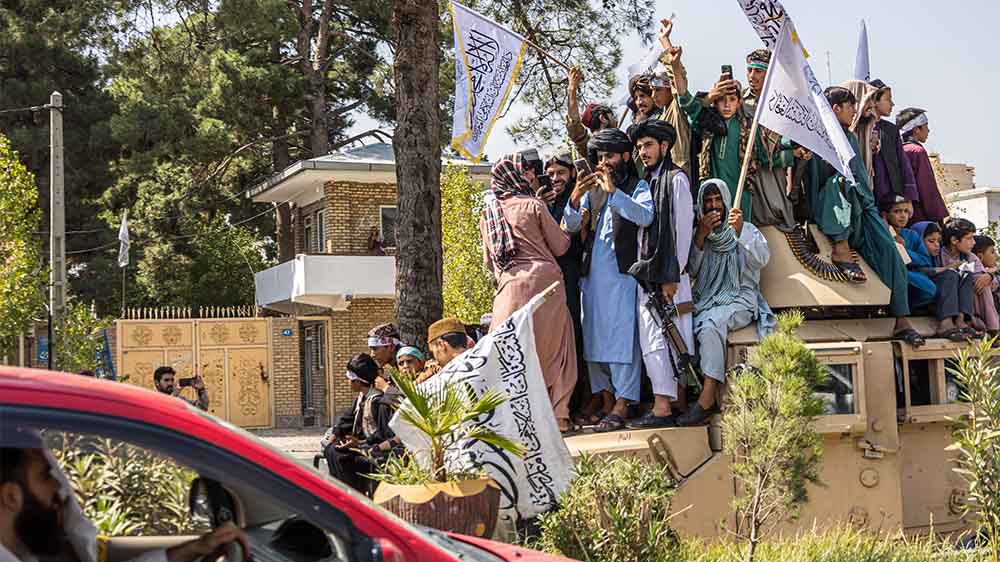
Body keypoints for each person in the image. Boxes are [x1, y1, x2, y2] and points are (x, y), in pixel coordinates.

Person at [1, 433, 250, 562]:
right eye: (46, 476)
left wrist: (197, 547)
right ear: (11, 496)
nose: (59, 488)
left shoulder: (23, 552)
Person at [806, 86, 920, 346]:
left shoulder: (850, 137)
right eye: (850, 106)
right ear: (836, 108)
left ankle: (902, 320)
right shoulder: (816, 136)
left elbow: (859, 174)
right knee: (838, 184)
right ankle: (841, 248)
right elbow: (816, 180)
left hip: (863, 207)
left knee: (890, 253)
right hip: (831, 206)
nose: (854, 111)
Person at [480, 152, 578, 433]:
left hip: (509, 288)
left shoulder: (489, 213)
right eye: (524, 171)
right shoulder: (533, 205)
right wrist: (573, 226)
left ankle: (516, 419)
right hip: (546, 284)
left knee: (510, 351)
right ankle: (559, 416)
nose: (531, 175)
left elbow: (489, 261)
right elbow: (560, 246)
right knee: (559, 348)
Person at [563, 128, 653, 432]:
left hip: (622, 277)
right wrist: (575, 196)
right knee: (595, 341)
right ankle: (606, 400)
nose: (604, 163)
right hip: (592, 278)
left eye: (610, 156)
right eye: (600, 157)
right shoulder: (593, 191)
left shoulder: (638, 186)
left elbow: (645, 216)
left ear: (626, 156)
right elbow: (570, 226)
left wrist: (614, 192)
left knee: (621, 341)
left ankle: (623, 403)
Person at [678, 179, 775, 427]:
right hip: (707, 297)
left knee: (710, 325)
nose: (714, 206)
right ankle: (680, 396)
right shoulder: (702, 233)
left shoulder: (745, 228)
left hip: (740, 298)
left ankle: (708, 396)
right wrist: (700, 236)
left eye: (718, 200)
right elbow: (692, 270)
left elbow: (762, 259)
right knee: (677, 320)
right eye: (708, 201)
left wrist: (740, 231)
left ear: (726, 201)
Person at [625, 119, 693, 428]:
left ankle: (666, 407)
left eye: (648, 145)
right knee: (652, 342)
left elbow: (682, 230)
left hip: (669, 279)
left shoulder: (676, 180)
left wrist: (672, 275)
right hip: (649, 277)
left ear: (664, 146)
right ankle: (664, 404)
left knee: (672, 340)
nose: (643, 152)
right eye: (640, 147)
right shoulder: (646, 182)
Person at [675, 59, 797, 224]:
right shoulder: (707, 125)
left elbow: (764, 157)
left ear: (739, 103)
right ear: (715, 102)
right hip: (712, 197)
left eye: (732, 99)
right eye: (721, 99)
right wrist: (675, 66)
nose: (727, 105)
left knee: (739, 234)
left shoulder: (749, 129)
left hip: (740, 197)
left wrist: (792, 153)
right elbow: (686, 102)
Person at [544, 151, 591, 417]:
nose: (555, 178)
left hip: (576, 275)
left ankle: (578, 401)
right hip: (553, 279)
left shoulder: (580, 197)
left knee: (576, 336)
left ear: (572, 173)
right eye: (550, 174)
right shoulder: (545, 202)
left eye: (561, 173)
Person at [883, 199, 969, 341]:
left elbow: (924, 260)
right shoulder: (882, 234)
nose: (903, 216)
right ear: (885, 215)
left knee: (950, 274)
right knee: (903, 275)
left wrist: (905, 251)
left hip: (920, 280)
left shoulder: (912, 235)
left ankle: (946, 323)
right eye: (897, 211)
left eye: (906, 211)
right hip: (901, 281)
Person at [322, 354, 397, 495]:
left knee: (340, 456)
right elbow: (347, 419)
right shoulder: (362, 397)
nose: (348, 382)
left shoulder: (378, 401)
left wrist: (360, 443)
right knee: (331, 449)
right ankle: (339, 493)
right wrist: (335, 435)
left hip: (376, 447)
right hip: (361, 443)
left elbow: (383, 433)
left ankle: (354, 494)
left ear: (358, 381)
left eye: (350, 379)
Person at [908, 221, 976, 338]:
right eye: (931, 241)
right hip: (920, 300)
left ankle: (960, 319)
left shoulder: (937, 258)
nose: (937, 245)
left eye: (938, 241)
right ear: (918, 241)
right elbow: (920, 272)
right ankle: (946, 322)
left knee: (966, 275)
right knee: (950, 274)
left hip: (938, 301)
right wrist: (946, 269)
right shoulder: (912, 256)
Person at [866, 80, 920, 207]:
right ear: (874, 101)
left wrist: (908, 199)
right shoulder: (861, 129)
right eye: (888, 99)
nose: (892, 104)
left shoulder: (890, 130)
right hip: (869, 197)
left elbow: (903, 164)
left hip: (891, 199)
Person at [941, 218, 999, 336]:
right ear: (954, 240)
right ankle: (989, 327)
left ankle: (992, 327)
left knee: (982, 282)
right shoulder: (941, 254)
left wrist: (989, 276)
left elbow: (982, 275)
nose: (973, 242)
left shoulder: (969, 256)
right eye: (969, 238)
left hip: (968, 293)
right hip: (949, 295)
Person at [897, 108, 949, 224]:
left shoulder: (899, 150)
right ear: (917, 129)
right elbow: (927, 188)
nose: (928, 130)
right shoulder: (917, 151)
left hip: (902, 216)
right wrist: (938, 217)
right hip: (921, 217)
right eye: (926, 126)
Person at [367, 323, 401, 389]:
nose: (372, 355)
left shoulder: (407, 369)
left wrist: (385, 387)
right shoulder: (392, 372)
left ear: (391, 347)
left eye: (375, 349)